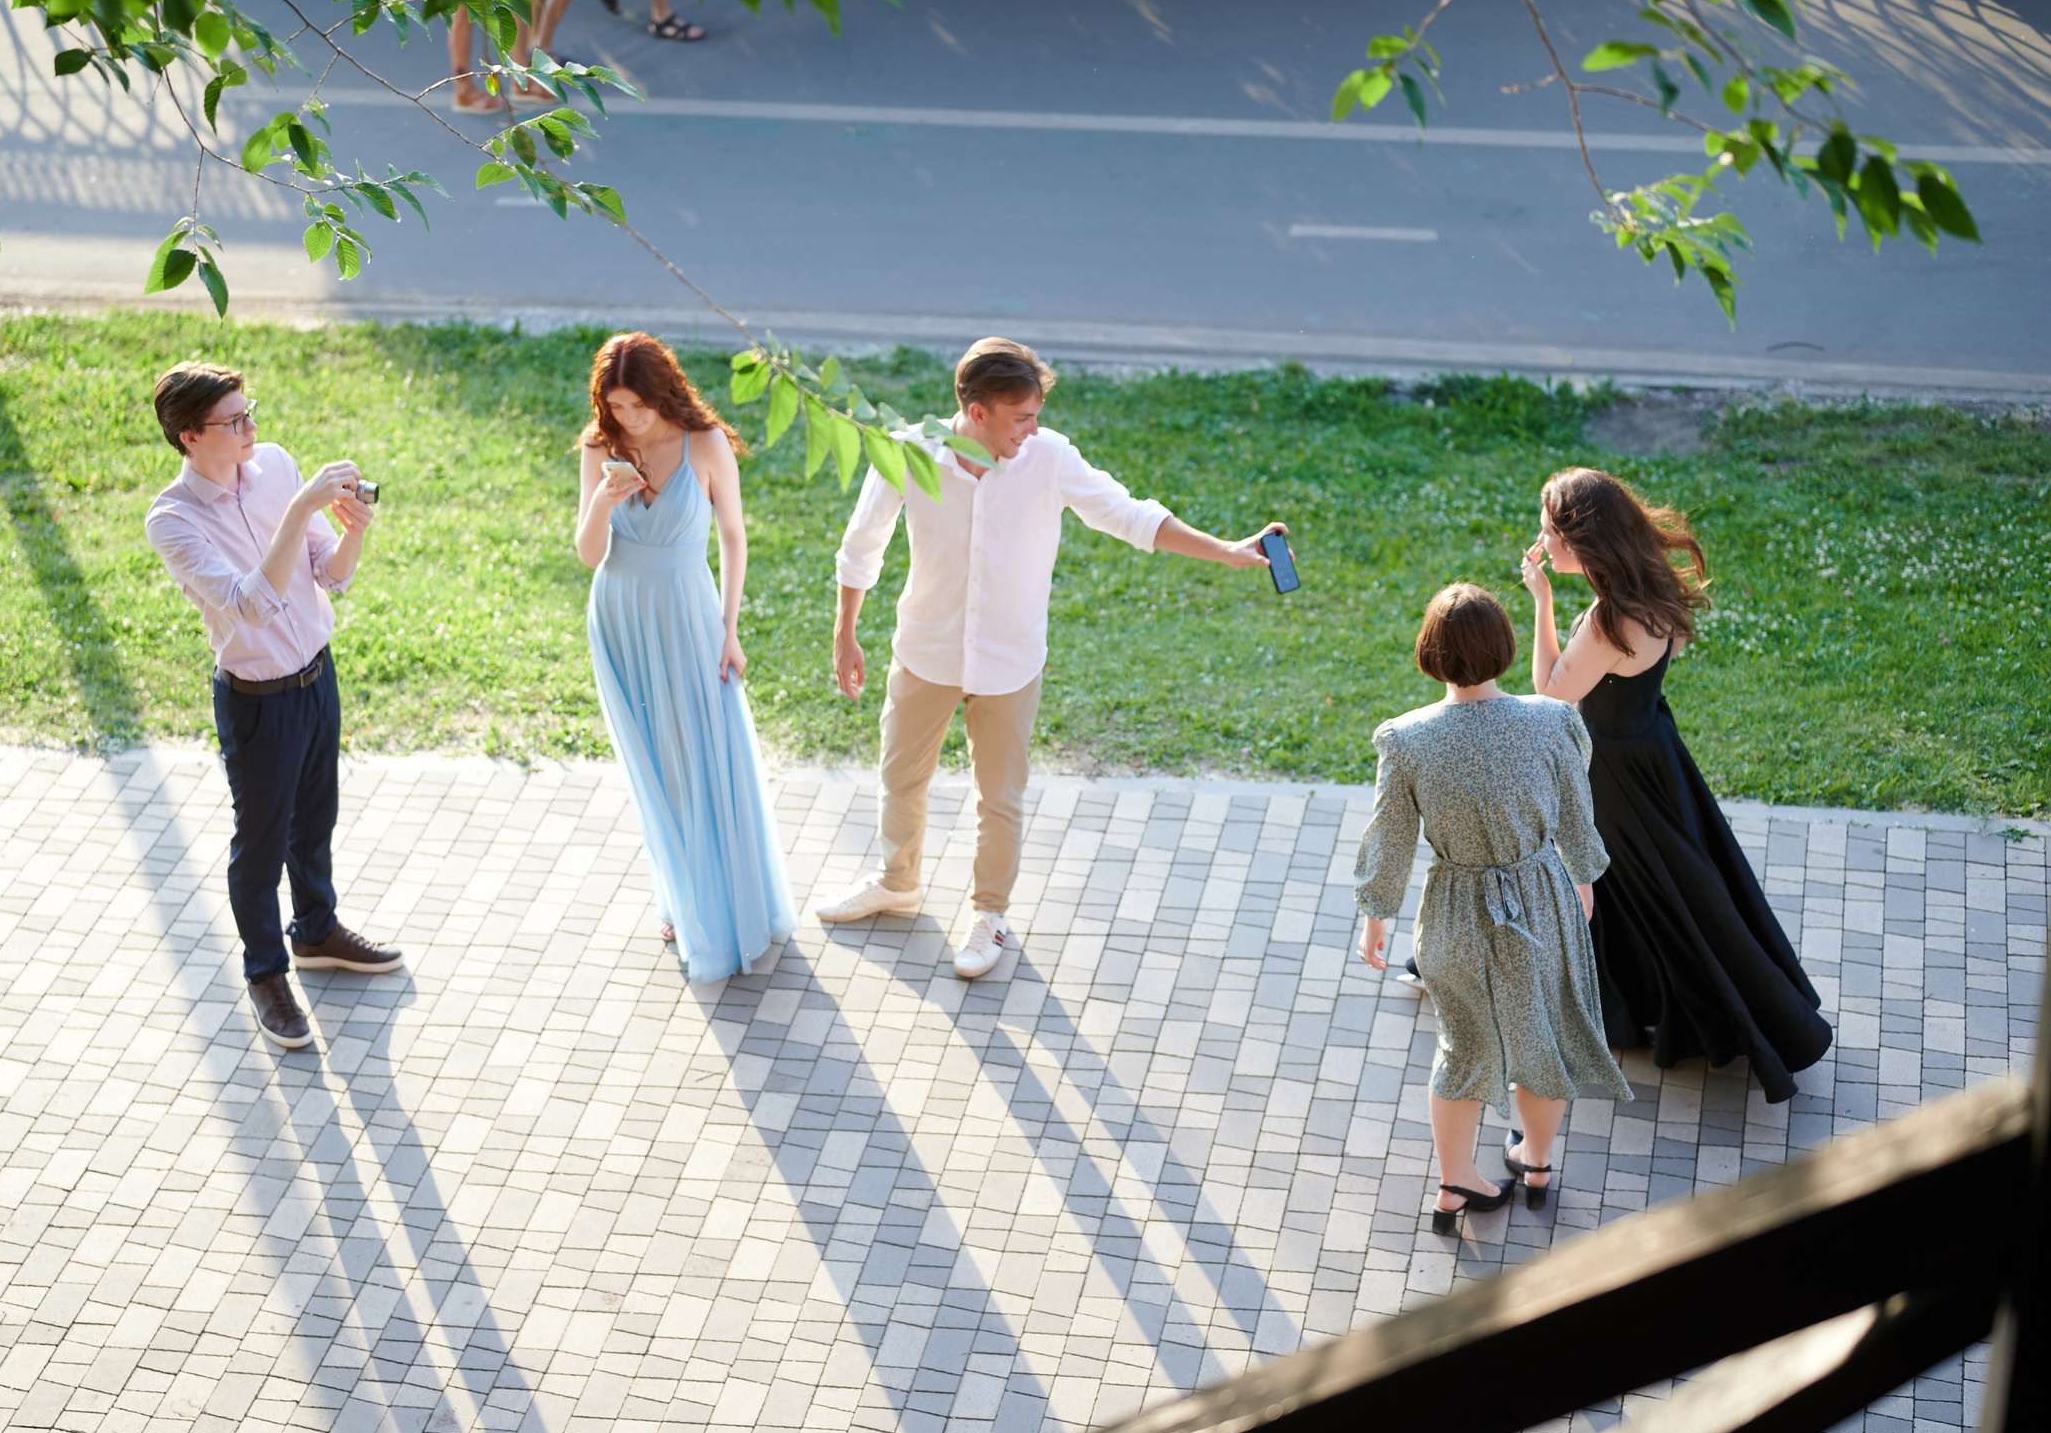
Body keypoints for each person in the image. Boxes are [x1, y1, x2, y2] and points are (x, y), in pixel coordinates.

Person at [817, 337, 1289, 979]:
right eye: (1021, 418)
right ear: (977, 413)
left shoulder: (1049, 457)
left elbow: (1130, 516)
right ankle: (897, 883)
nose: (1032, 431)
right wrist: (846, 633)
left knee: (999, 798)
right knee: (900, 779)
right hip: (925, 650)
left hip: (1010, 661)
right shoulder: (908, 450)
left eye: (1036, 416)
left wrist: (1230, 550)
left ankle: (990, 915)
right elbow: (860, 545)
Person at [1519, 466, 1832, 1103]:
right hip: (1652, 751)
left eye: (1551, 530)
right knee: (1669, 888)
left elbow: (1550, 695)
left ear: (1584, 541)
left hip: (1614, 773)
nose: (1542, 541)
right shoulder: (1650, 589)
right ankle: (1620, 1004)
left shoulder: (1611, 618)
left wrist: (1543, 603)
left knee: (1640, 889)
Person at [1355, 583, 1630, 1232]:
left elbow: (1388, 838)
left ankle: (1455, 1186)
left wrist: (1377, 914)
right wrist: (1582, 882)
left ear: (1430, 654)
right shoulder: (1551, 720)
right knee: (1543, 1035)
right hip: (1539, 897)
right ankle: (1534, 1164)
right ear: (1504, 649)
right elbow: (1574, 813)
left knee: (1461, 1046)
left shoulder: (1407, 740)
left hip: (1453, 908)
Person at [145, 362, 403, 1052]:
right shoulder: (172, 521)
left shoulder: (278, 467)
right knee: (259, 846)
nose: (252, 427)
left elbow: (331, 576)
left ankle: (317, 933)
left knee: (316, 817)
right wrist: (298, 512)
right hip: (257, 700)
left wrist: (354, 527)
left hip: (318, 677)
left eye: (249, 410)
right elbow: (252, 605)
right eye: (235, 421)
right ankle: (267, 974)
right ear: (190, 436)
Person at [574, 333, 796, 982]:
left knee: (703, 752)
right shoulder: (599, 447)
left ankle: (724, 898)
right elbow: (589, 554)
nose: (629, 419)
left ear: (661, 391)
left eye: (638, 405)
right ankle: (678, 892)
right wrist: (600, 503)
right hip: (620, 615)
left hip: (688, 613)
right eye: (616, 406)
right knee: (654, 762)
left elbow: (733, 535)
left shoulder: (705, 444)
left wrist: (730, 629)